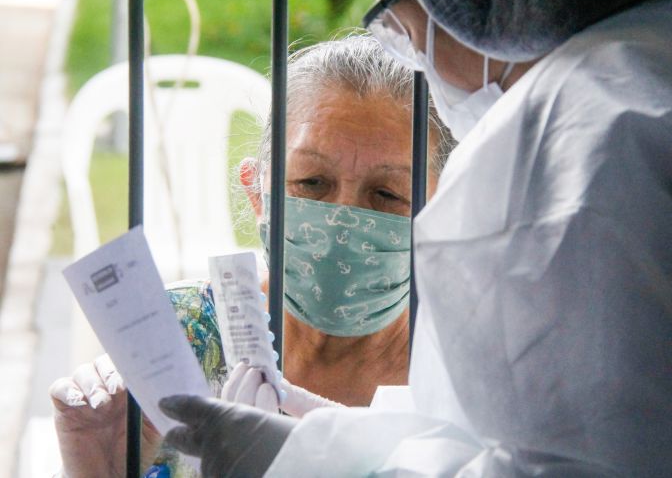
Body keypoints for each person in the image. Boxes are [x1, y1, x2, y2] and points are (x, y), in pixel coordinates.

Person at [159, 0, 672, 476]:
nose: (408, 46)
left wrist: (308, 464)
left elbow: (568, 465)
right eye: (311, 183)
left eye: (397, 12)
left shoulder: (562, 151)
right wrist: (331, 440)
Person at [48, 34, 454, 478]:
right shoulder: (176, 342)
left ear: (444, 214)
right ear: (255, 191)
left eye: (386, 194)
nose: (342, 218)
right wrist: (93, 469)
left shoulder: (464, 377)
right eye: (312, 182)